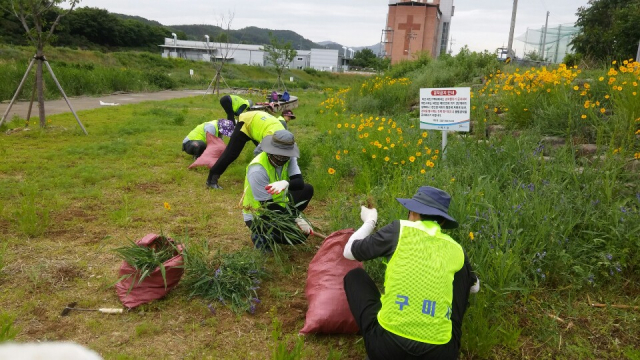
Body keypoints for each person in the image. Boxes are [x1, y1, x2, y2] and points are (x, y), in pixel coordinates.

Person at [342, 186, 479, 360]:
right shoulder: (456, 248)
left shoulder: (399, 230)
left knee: (355, 276)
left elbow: (349, 252)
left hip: (387, 348)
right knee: (462, 275)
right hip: (440, 354)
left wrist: (370, 220)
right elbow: (474, 288)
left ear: (413, 212)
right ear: (442, 222)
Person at [242, 130, 314, 249]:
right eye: (278, 156)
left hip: (280, 204)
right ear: (269, 151)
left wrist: (286, 183)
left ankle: (279, 228)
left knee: (307, 189)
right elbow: (268, 206)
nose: (281, 160)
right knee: (298, 236)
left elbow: (299, 183)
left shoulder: (289, 158)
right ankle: (260, 234)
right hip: (260, 214)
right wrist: (295, 218)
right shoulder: (257, 170)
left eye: (285, 157)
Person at [206, 110, 285, 189]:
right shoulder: (271, 137)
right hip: (247, 122)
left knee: (272, 156)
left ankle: (270, 179)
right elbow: (257, 152)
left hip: (258, 125)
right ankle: (212, 179)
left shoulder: (286, 139)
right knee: (231, 153)